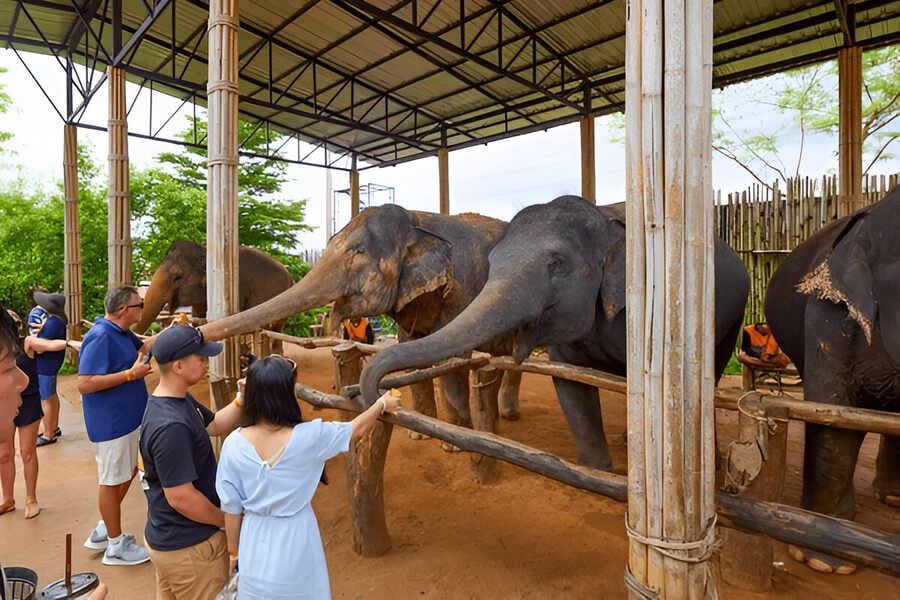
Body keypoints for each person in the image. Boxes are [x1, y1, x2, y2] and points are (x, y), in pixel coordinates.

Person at [215, 355, 401, 599]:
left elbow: (231, 507)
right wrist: (381, 405)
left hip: (255, 539)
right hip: (296, 538)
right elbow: (355, 429)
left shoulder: (233, 445)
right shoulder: (310, 438)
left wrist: (234, 553)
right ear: (286, 394)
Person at [140, 325, 245, 599]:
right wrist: (226, 521)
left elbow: (214, 425)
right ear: (178, 366)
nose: (205, 362)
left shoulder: (176, 400)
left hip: (170, 540)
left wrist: (241, 400)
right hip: (190, 549)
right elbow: (181, 498)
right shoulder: (171, 426)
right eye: (200, 358)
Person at [77, 285, 154, 566]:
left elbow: (146, 346)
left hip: (128, 417)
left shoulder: (121, 332)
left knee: (129, 470)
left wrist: (180, 333)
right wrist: (129, 375)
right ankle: (115, 546)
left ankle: (104, 528)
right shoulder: (100, 336)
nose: (143, 308)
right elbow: (84, 384)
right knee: (111, 480)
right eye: (140, 304)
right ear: (124, 310)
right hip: (112, 423)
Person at [0, 310, 68, 519]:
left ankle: (31, 498)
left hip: (27, 402)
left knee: (27, 450)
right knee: (4, 454)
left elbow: (50, 345)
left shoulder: (27, 342)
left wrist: (70, 343)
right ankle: (8, 499)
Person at [32, 291, 67, 447]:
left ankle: (48, 434)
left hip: (45, 366)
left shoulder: (52, 323)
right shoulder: (57, 321)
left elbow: (40, 348)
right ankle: (54, 427)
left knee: (45, 399)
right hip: (52, 364)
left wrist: (31, 340)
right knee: (52, 396)